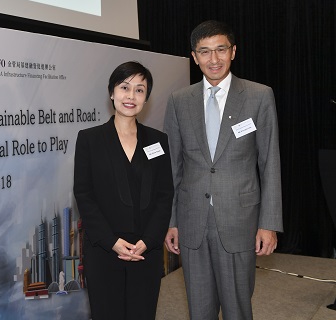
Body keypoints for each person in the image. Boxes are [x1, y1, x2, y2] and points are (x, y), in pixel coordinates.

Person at [163, 20, 283, 320]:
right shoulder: (179, 101)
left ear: (233, 52)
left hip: (240, 220)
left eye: (220, 50)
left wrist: (268, 223)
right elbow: (172, 167)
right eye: (204, 52)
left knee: (237, 309)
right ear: (194, 57)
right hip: (192, 222)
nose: (213, 59)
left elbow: (270, 163)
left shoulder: (259, 96)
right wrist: (172, 220)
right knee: (199, 310)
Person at [73, 61, 174, 319]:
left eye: (140, 90)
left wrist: (149, 241)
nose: (131, 96)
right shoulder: (89, 139)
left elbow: (165, 195)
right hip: (104, 250)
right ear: (112, 92)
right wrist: (112, 242)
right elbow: (83, 194)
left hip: (145, 250)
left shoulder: (158, 140)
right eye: (124, 87)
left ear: (146, 98)